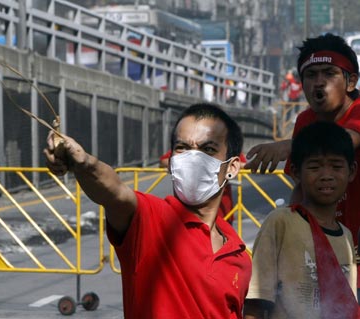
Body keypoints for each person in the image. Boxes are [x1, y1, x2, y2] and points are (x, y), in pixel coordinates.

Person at [44, 102, 252, 318]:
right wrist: (82, 162)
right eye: (182, 148)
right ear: (171, 162)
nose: (193, 158)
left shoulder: (239, 256)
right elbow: (114, 192)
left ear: (232, 167)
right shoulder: (151, 219)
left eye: (208, 149)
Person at [244, 33, 360, 294]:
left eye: (329, 73)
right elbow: (300, 191)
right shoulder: (305, 120)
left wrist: (290, 146)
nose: (319, 83)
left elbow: (345, 140)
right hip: (323, 256)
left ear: (351, 81)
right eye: (311, 75)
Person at [244, 121, 359, 319]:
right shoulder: (280, 223)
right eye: (314, 167)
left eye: (336, 166)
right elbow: (256, 304)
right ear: (296, 172)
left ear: (352, 171)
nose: (326, 176)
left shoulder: (346, 236)